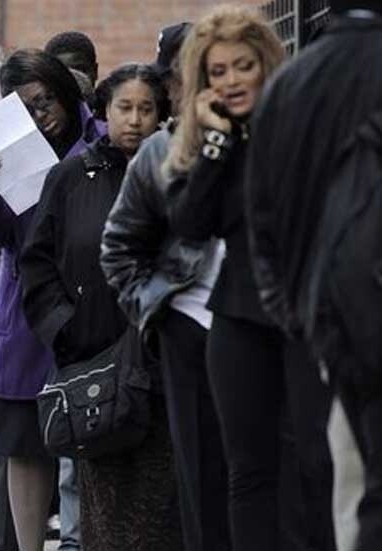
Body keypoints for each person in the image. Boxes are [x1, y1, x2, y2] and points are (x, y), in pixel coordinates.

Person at [164, 6, 334, 551]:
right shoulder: (212, 143)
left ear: (266, 66)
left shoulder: (300, 128)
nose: (232, 80)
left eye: (243, 66)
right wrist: (216, 144)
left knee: (314, 462)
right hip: (237, 317)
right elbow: (191, 224)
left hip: (304, 313)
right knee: (248, 470)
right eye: (218, 71)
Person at [21, 61, 179, 551]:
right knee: (104, 498)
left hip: (165, 358)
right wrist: (64, 329)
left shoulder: (177, 171)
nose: (134, 120)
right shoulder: (71, 176)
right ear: (104, 112)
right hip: (93, 362)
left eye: (146, 109)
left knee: (165, 496)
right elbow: (37, 262)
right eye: (124, 108)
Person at [244, 3, 382, 548]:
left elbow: (262, 223)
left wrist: (299, 313)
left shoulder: (288, 85)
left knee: (353, 483)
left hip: (326, 315)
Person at [0, 48, 101, 551]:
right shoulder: (7, 149)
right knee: (23, 443)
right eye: (25, 109)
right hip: (24, 310)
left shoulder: (100, 139)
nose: (40, 116)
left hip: (90, 304)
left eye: (45, 101)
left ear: (63, 91)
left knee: (95, 429)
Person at [100, 37, 231, 551]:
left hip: (256, 322)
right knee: (201, 474)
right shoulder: (160, 151)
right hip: (188, 325)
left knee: (263, 470)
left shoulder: (266, 137)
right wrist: (158, 311)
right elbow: (119, 249)